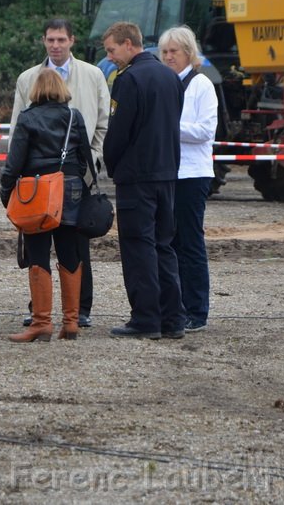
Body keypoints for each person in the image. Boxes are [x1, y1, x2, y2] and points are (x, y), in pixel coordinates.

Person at [10, 18, 110, 328]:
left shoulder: (93, 76)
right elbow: (17, 127)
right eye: (51, 39)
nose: (55, 45)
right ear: (44, 41)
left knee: (76, 243)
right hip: (37, 180)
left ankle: (79, 310)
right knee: (36, 244)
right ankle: (39, 310)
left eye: (61, 40)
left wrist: (91, 161)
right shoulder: (28, 78)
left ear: (72, 41)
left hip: (75, 176)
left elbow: (104, 122)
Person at [101, 21, 185, 340]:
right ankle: (173, 318)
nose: (110, 58)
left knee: (139, 247)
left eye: (112, 50)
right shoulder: (170, 76)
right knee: (164, 245)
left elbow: (119, 131)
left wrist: (111, 163)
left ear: (128, 44)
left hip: (137, 176)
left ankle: (146, 318)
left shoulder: (129, 79)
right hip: (167, 173)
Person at [1, 69, 93, 342]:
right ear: (62, 89)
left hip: (38, 192)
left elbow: (14, 162)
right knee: (69, 253)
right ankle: (72, 322)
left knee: (38, 254)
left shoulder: (28, 118)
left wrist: (7, 192)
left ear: (36, 90)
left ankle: (41, 323)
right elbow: (85, 157)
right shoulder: (74, 117)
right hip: (70, 189)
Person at [158, 26, 218, 332]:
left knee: (191, 243)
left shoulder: (201, 85)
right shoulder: (165, 83)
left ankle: (197, 309)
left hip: (193, 174)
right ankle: (174, 306)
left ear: (188, 54)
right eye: (165, 52)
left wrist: (169, 127)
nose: (169, 57)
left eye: (174, 52)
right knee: (170, 242)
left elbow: (206, 130)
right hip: (167, 172)